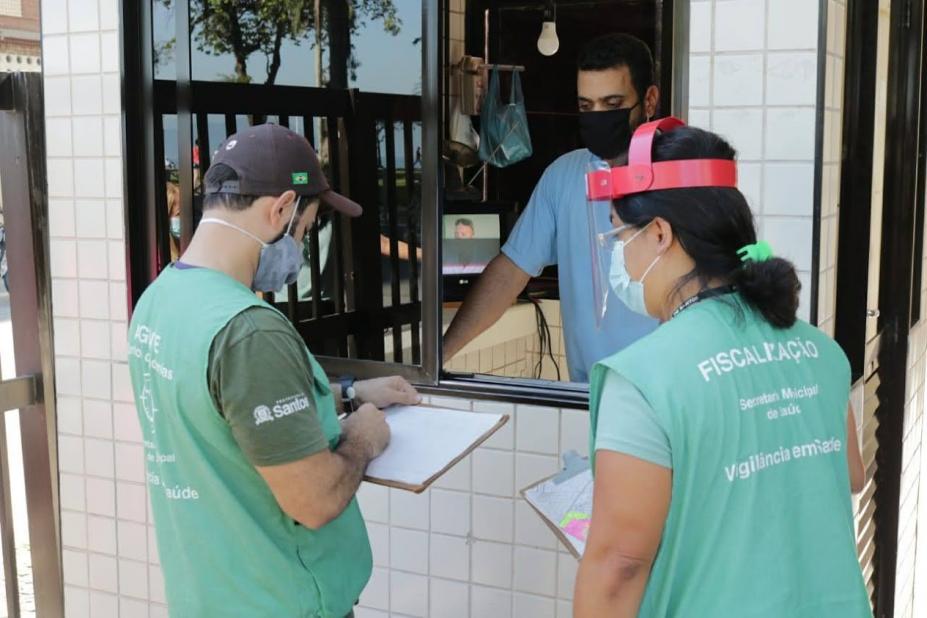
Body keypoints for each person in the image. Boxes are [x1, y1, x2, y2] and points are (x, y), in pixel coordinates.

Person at [574, 120, 870, 617]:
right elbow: (851, 475)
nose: (617, 255)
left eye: (619, 236)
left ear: (661, 234)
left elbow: (620, 564)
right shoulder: (819, 349)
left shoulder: (644, 379)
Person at [127, 123, 421, 616]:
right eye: (304, 229)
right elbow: (315, 500)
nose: (300, 247)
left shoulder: (160, 301)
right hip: (281, 600)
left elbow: (226, 412)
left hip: (210, 596)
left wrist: (348, 392)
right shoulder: (249, 331)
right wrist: (363, 435)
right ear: (281, 208)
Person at [443, 33, 661, 382]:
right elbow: (510, 272)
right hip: (590, 396)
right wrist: (439, 355)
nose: (598, 117)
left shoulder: (681, 177)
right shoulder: (564, 176)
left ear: (649, 100)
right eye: (586, 106)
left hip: (667, 400)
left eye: (612, 103)